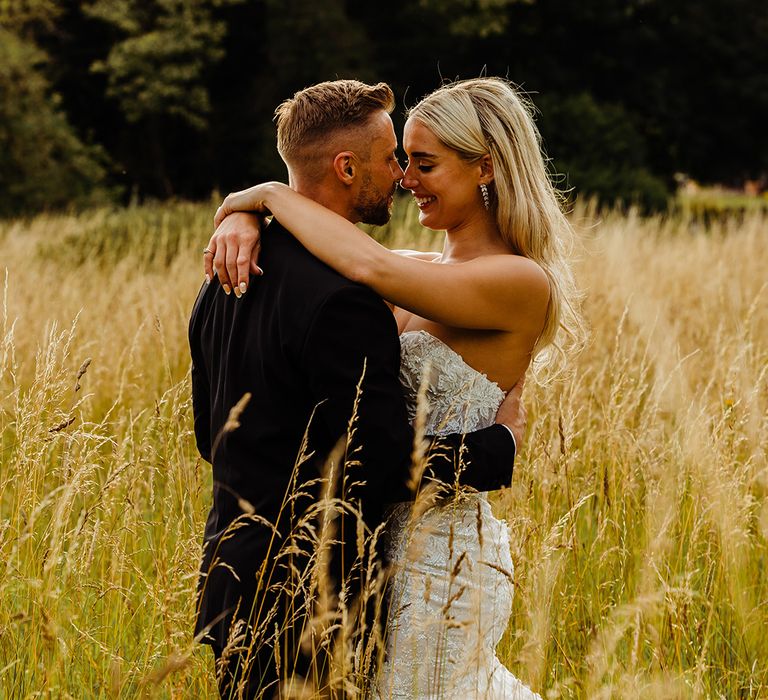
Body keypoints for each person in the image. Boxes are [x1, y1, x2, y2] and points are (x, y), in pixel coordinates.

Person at [207, 77, 585, 699]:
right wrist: (246, 217)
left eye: (426, 164)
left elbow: (365, 265)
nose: (407, 179)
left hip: (443, 558)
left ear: (485, 166)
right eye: (404, 161)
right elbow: (335, 255)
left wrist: (268, 193)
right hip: (374, 557)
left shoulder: (518, 281)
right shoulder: (419, 266)